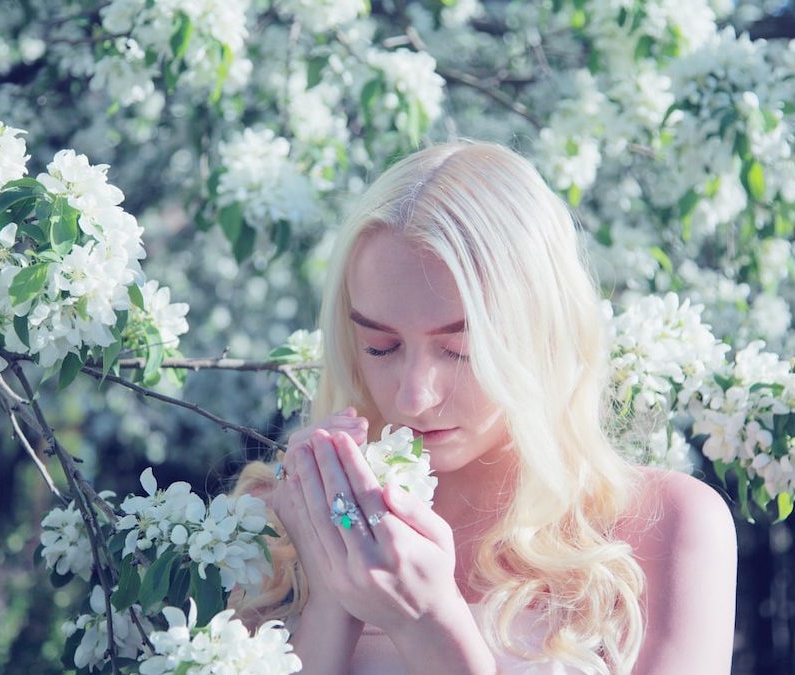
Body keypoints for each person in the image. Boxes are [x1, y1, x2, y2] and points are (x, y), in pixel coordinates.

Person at [233, 141, 737, 674]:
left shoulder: (664, 527)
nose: (414, 397)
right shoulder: (276, 523)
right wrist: (331, 597)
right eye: (381, 347)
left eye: (460, 350)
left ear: (545, 330)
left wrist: (429, 626)